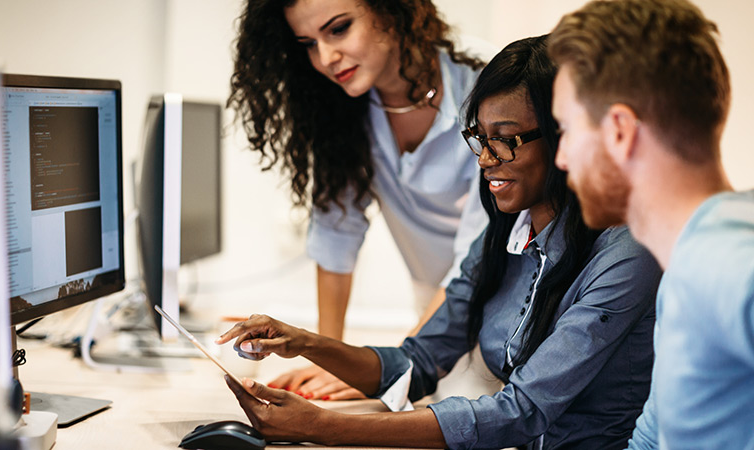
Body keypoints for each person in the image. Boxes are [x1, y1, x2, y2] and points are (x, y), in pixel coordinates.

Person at [217, 35, 662, 449]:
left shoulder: (626, 252)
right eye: (481, 139)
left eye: (506, 141)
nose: (487, 160)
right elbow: (419, 359)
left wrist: (319, 427)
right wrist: (303, 342)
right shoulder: (506, 233)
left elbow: (522, 411)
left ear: (566, 138)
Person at [227, 0, 494, 399]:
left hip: (502, 305)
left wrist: (389, 368)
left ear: (391, 10)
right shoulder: (345, 107)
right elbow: (337, 235)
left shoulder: (486, 82)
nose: (325, 57)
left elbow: (476, 255)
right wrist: (326, 357)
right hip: (429, 306)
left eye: (338, 29)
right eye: (308, 43)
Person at [549, 0, 754, 448]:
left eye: (565, 130)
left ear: (619, 130)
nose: (561, 159)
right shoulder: (686, 265)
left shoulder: (723, 262)